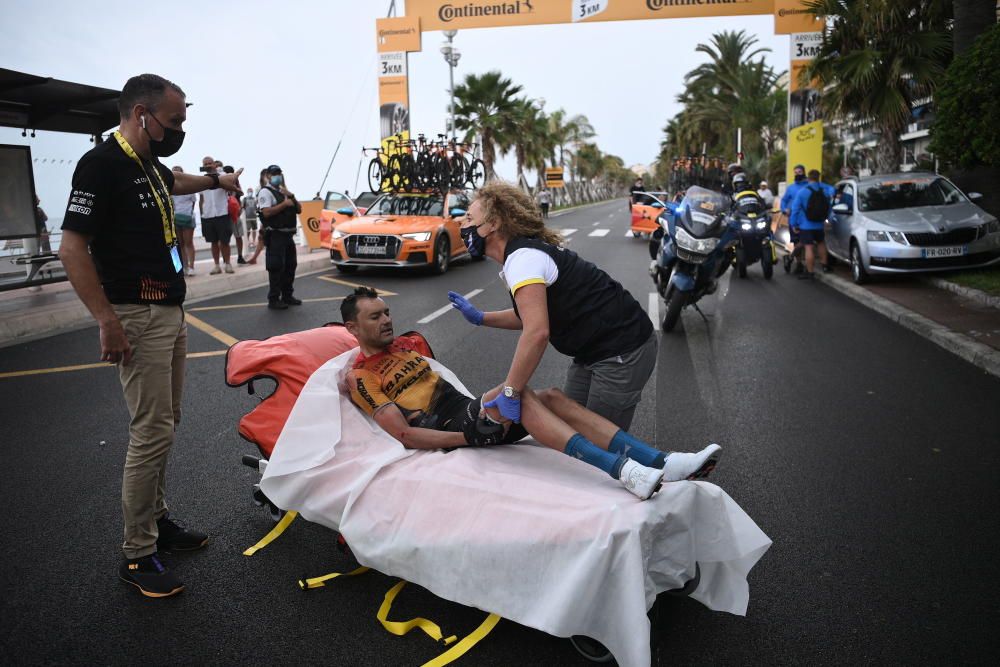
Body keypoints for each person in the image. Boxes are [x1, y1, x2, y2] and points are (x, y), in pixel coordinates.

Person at [59, 73, 242, 598]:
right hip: (134, 314)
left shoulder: (146, 165)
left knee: (165, 423)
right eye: (174, 120)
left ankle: (158, 523)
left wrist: (217, 182)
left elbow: (174, 182)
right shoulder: (101, 164)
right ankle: (137, 555)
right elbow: (72, 248)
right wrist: (106, 320)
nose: (179, 129)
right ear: (142, 114)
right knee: (150, 431)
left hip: (169, 309)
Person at [343, 287, 721, 501]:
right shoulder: (362, 376)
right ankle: (623, 470)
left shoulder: (408, 347)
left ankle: (661, 461)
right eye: (375, 317)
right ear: (352, 327)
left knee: (552, 396)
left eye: (387, 311)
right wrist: (468, 438)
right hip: (454, 428)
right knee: (519, 395)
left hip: (469, 411)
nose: (387, 319)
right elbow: (405, 434)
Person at [447, 182, 656, 431]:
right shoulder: (520, 256)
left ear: (494, 224)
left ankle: (663, 467)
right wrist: (481, 317)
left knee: (600, 440)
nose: (463, 224)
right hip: (592, 351)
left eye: (470, 218)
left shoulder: (523, 259)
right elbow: (530, 316)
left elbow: (537, 332)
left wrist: (511, 391)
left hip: (622, 348)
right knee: (568, 428)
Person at [257, 164, 302, 310]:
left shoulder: (283, 191)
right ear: (268, 176)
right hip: (276, 235)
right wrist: (284, 204)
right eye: (274, 174)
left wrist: (292, 196)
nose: (277, 176)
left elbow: (299, 209)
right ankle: (274, 299)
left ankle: (287, 296)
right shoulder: (265, 192)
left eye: (279, 173)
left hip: (288, 235)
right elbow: (266, 213)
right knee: (276, 268)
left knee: (290, 266)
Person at [791, 169, 835, 279]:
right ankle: (825, 266)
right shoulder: (824, 191)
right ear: (818, 178)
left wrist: (793, 224)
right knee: (821, 243)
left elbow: (795, 209)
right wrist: (826, 219)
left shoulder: (802, 192)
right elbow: (828, 208)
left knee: (809, 247)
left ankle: (810, 272)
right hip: (819, 224)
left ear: (808, 178)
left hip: (806, 225)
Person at [780, 164, 808, 274]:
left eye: (799, 172)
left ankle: (790, 258)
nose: (797, 174)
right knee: (797, 242)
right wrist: (784, 209)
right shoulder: (791, 188)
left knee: (805, 241)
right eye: (795, 172)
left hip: (807, 219)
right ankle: (799, 264)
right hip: (793, 219)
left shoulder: (809, 186)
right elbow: (783, 200)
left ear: (804, 172)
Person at [171, 167, 197, 275]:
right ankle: (184, 266)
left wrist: (190, 214)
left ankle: (191, 266)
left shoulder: (189, 187)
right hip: (176, 218)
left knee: (188, 242)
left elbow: (193, 203)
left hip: (187, 217)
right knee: (180, 244)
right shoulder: (170, 187)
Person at [227, 190, 246, 264]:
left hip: (235, 217)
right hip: (225, 216)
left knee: (238, 237)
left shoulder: (236, 188)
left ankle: (240, 256)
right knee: (224, 239)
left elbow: (241, 193)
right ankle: (226, 259)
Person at [242, 186, 259, 251]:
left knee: (254, 229)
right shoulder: (245, 199)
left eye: (251, 191)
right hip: (247, 217)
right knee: (248, 230)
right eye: (249, 191)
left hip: (254, 217)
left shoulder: (254, 199)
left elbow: (256, 207)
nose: (250, 192)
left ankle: (254, 241)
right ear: (247, 192)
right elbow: (242, 207)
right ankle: (248, 242)